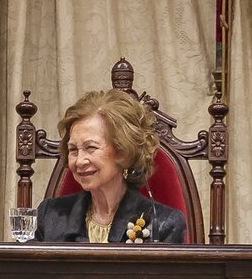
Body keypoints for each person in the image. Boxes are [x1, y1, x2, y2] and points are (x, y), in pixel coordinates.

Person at [34, 89, 187, 244]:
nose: (79, 161)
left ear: (123, 152)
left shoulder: (164, 224)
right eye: (73, 150)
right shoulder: (49, 216)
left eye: (91, 148)